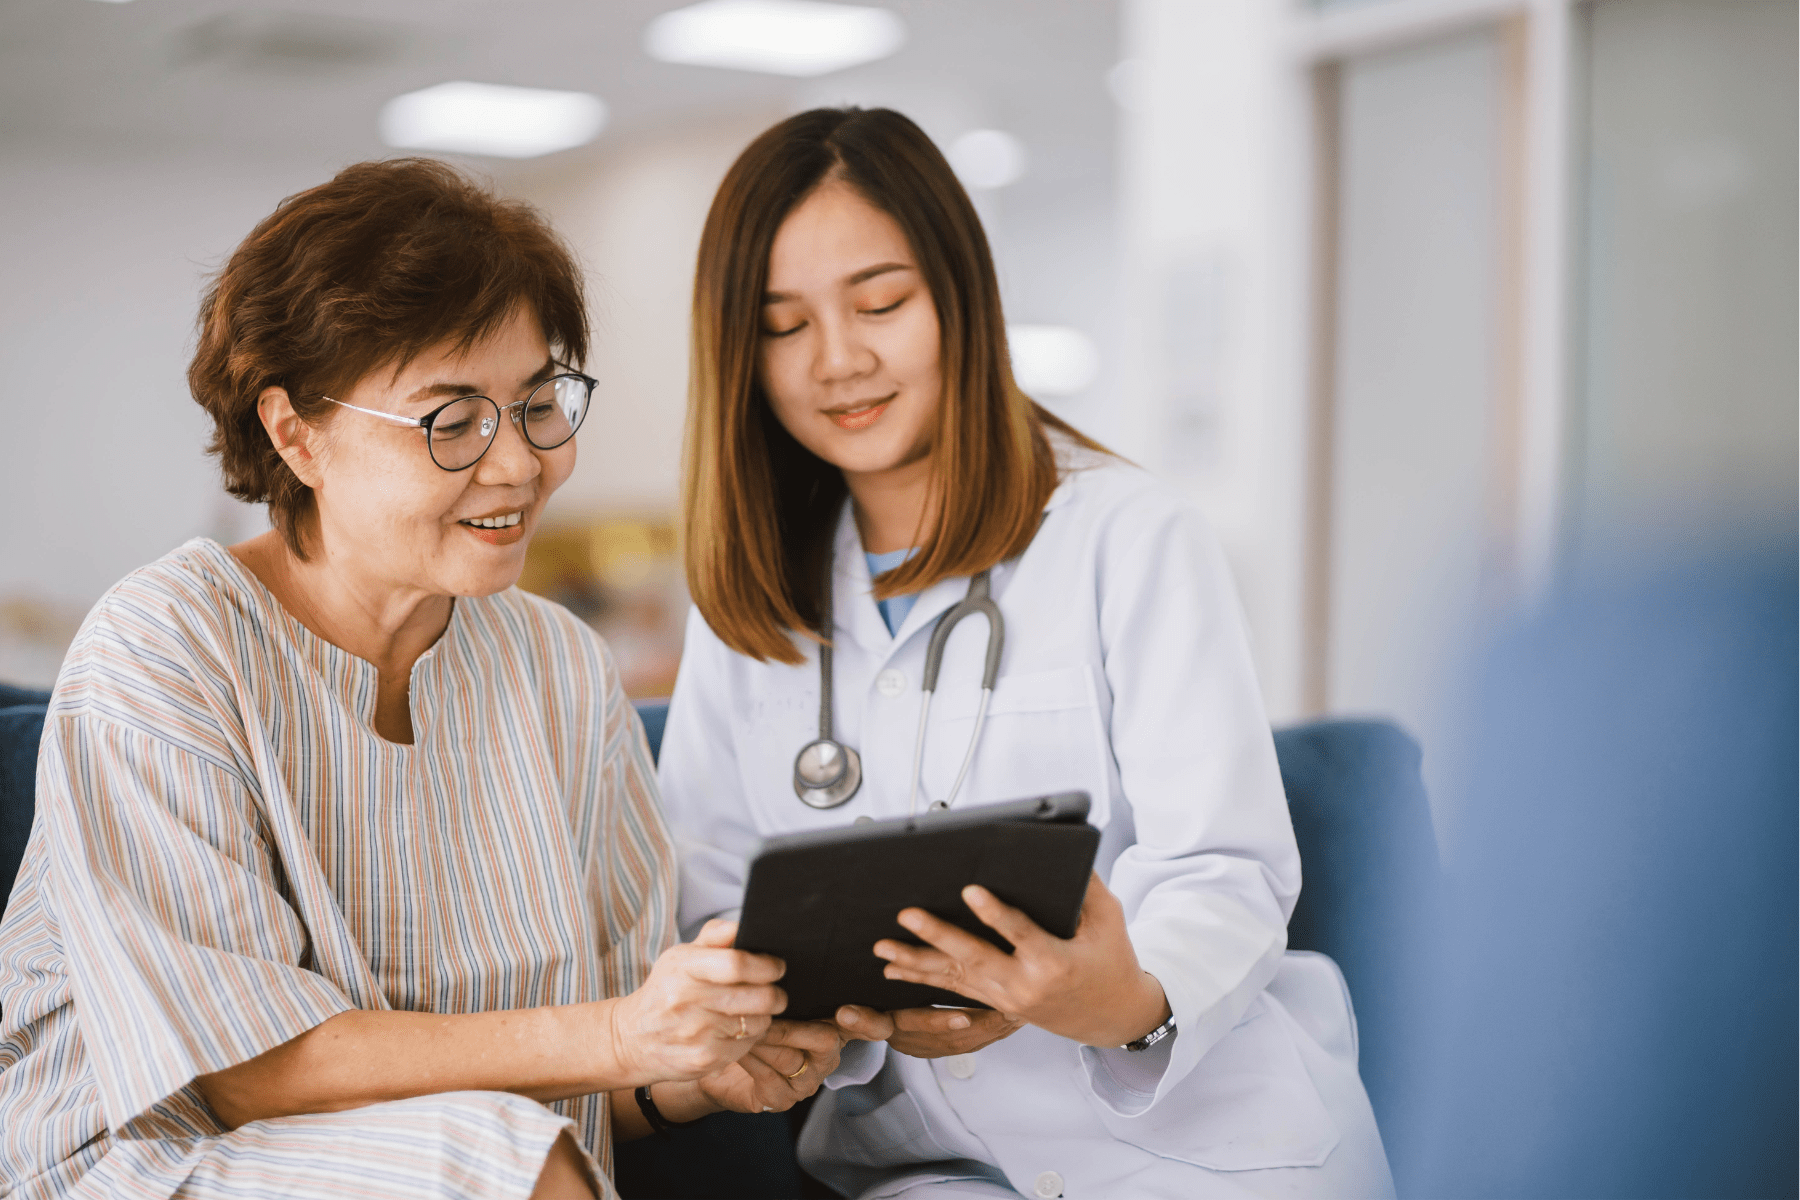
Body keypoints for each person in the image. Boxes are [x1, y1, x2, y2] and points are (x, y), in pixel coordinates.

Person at [0, 159, 841, 1200]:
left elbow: (588, 1070)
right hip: (158, 1158)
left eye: (538, 402)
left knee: (505, 1152)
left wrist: (692, 1070)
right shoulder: (166, 644)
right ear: (295, 432)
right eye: (451, 419)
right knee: (493, 1161)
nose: (519, 464)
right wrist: (621, 1037)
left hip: (486, 1157)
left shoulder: (559, 666)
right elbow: (240, 1073)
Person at [657, 107, 1394, 1199]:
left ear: (960, 297)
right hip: (930, 1162)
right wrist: (784, 1013)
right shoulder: (747, 601)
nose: (840, 360)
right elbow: (712, 904)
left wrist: (1115, 998)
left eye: (881, 303)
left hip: (1206, 1144)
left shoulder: (1127, 534)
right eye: (782, 324)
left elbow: (1223, 871)